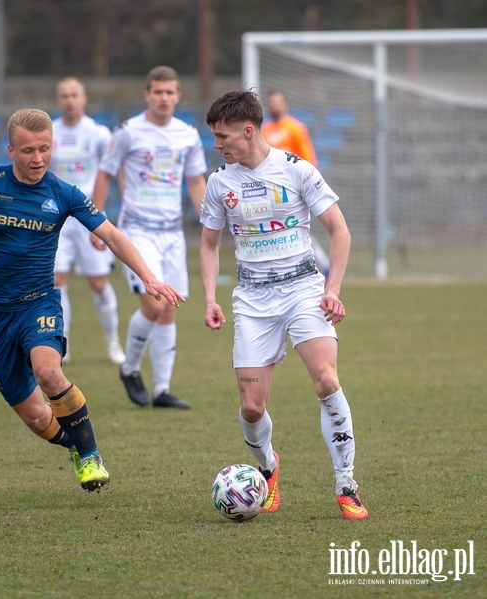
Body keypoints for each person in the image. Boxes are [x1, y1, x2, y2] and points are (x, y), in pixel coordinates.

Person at [0, 109, 183, 492]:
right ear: (11, 150)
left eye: (44, 149)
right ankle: (74, 445)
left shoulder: (63, 194)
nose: (37, 158)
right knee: (37, 418)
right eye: (27, 151)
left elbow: (114, 236)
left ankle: (90, 457)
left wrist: (149, 277)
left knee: (49, 372)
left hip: (39, 304)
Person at [198, 90, 368, 520]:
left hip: (303, 290)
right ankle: (268, 469)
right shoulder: (220, 182)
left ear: (248, 130)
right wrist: (209, 298)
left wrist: (333, 288)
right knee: (252, 405)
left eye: (222, 136)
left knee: (327, 380)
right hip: (252, 299)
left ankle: (346, 485)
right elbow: (208, 243)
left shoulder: (297, 171)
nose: (217, 145)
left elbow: (339, 231)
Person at [93, 65, 207, 409]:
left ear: (178, 96)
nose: (164, 98)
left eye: (170, 92)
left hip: (172, 232)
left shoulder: (187, 135)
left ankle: (161, 390)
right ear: (147, 95)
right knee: (154, 303)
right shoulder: (127, 133)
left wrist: (209, 221)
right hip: (137, 231)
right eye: (157, 91)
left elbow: (196, 182)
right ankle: (129, 368)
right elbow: (104, 174)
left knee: (169, 308)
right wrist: (96, 222)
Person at [50, 77, 124, 365]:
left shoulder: (98, 133)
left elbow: (113, 170)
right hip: (56, 217)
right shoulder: (50, 132)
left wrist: (107, 208)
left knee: (97, 281)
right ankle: (62, 344)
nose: (69, 100)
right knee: (56, 280)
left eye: (74, 95)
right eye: (64, 95)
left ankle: (112, 340)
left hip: (88, 215)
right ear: (59, 101)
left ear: (84, 99)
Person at [262, 91, 330, 277]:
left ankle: (322, 265)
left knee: (296, 228)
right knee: (282, 229)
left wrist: (304, 186)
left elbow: (308, 159)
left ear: (286, 105)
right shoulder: (264, 130)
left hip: (292, 188)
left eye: (278, 103)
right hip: (270, 190)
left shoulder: (295, 128)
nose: (274, 106)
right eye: (271, 103)